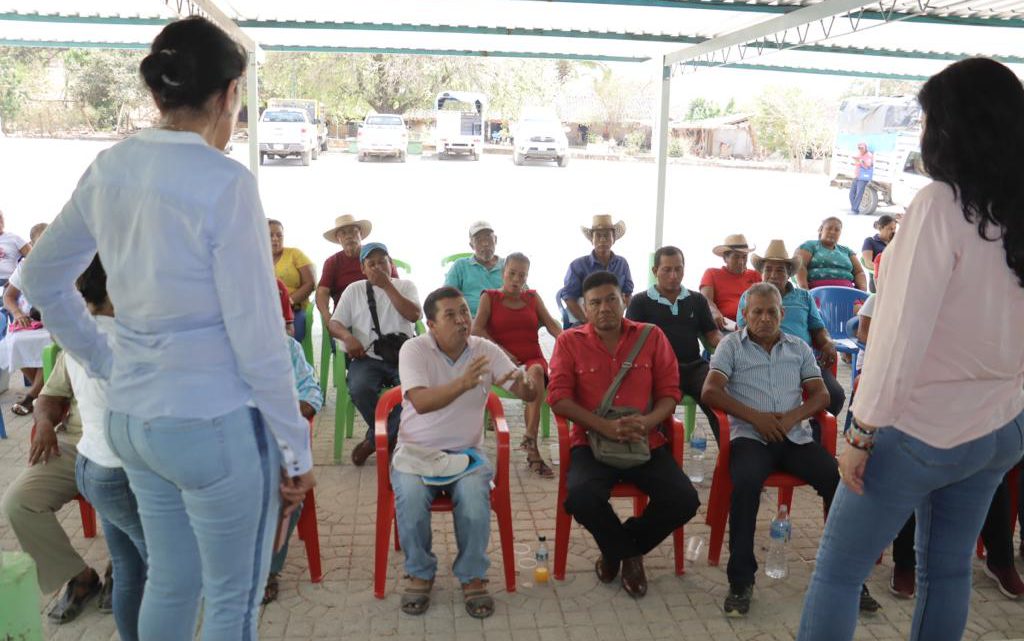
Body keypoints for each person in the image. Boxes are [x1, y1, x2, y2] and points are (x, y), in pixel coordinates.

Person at [19, 17, 315, 639]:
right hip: (209, 424)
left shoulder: (111, 166)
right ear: (230, 94)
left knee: (173, 581)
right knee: (232, 603)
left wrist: (104, 360)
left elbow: (41, 279)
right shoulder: (226, 182)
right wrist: (295, 448)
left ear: (159, 93)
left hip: (132, 423)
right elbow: (260, 340)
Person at [798, 58, 1024, 641]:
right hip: (998, 426)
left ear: (954, 127)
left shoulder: (940, 206)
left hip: (921, 429)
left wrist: (861, 432)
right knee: (945, 571)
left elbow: (898, 339)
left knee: (838, 573)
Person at [702, 282, 878, 617]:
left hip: (794, 438)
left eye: (772, 312)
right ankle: (741, 579)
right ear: (744, 314)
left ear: (783, 314)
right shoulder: (731, 346)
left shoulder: (797, 346)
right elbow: (711, 391)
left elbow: (822, 395)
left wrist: (791, 418)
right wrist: (758, 419)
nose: (765, 318)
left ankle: (847, 575)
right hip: (750, 438)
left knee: (838, 483)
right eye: (757, 312)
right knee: (745, 485)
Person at [549, 271, 700, 599]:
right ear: (585, 310)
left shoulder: (651, 336)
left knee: (685, 500)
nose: (604, 308)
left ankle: (620, 547)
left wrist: (648, 422)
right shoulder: (569, 342)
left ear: (624, 301)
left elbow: (670, 393)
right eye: (595, 303)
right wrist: (601, 426)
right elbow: (558, 397)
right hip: (592, 440)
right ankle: (628, 555)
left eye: (611, 300)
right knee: (580, 497)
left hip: (644, 439)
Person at [392, 286, 539, 619]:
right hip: (417, 451)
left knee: (474, 501)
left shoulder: (483, 349)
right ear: (431, 323)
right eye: (451, 315)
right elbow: (420, 402)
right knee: (412, 501)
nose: (462, 321)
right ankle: (420, 571)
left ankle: (472, 575)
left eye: (465, 312)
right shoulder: (413, 349)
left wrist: (530, 384)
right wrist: (463, 383)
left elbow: (521, 389)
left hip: (467, 453)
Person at [0, 259, 112, 626]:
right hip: (75, 445)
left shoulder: (147, 338)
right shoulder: (81, 342)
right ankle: (79, 577)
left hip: (130, 450)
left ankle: (121, 570)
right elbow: (49, 395)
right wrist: (45, 422)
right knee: (19, 503)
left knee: (136, 492)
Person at [66, 256, 148, 640]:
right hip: (118, 470)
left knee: (129, 567)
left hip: (92, 463)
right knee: (172, 571)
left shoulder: (81, 332)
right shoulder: (123, 342)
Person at [329, 241, 421, 466]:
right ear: (363, 268)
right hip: (366, 358)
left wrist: (388, 286)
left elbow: (414, 316)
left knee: (413, 394)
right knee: (359, 388)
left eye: (383, 262)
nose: (378, 267)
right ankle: (389, 435)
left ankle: (375, 440)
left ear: (391, 264)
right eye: (372, 264)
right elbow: (334, 324)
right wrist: (348, 338)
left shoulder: (406, 286)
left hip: (403, 355)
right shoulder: (354, 290)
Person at [472, 251, 562, 477]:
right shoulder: (490, 297)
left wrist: (576, 342)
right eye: (512, 273)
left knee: (538, 371)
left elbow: (552, 326)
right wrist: (501, 352)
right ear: (503, 273)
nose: (516, 280)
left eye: (522, 276)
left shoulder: (532, 298)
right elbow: (477, 330)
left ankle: (530, 441)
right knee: (535, 375)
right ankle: (532, 450)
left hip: (532, 358)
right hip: (501, 362)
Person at [737, 240, 847, 425]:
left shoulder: (804, 297)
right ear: (761, 273)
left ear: (789, 274)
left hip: (803, 362)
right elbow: (743, 332)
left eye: (780, 270)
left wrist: (827, 342)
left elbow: (818, 329)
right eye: (768, 269)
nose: (773, 275)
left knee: (835, 396)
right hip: (764, 362)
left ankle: (815, 435)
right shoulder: (749, 296)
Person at [263, 298, 324, 605]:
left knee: (286, 493)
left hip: (273, 442)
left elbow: (311, 390)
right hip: (223, 445)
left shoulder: (287, 348)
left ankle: (267, 571)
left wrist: (295, 412)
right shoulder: (210, 351)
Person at [627, 246, 723, 440]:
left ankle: (730, 458)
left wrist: (726, 345)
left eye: (678, 269)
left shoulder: (697, 300)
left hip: (694, 366)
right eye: (667, 269)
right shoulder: (640, 302)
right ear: (655, 272)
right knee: (658, 411)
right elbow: (630, 340)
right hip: (659, 370)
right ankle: (662, 457)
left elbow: (711, 333)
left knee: (718, 398)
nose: (673, 275)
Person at [315, 213, 398, 328]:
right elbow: (322, 292)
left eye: (353, 231)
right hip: (347, 317)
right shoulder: (332, 262)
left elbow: (396, 284)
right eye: (343, 233)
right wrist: (327, 317)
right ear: (338, 239)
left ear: (361, 234)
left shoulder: (378, 256)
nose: (349, 236)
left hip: (383, 312)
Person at [1, 222, 50, 415]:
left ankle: (32, 397)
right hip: (31, 321)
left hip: (57, 322)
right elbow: (8, 297)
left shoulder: (66, 263)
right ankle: (45, 395)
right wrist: (18, 314)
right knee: (14, 344)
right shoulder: (25, 268)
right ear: (32, 244)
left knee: (56, 347)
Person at [557, 214, 633, 328]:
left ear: (614, 239)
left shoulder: (622, 263)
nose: (602, 240)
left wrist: (618, 315)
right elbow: (569, 298)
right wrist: (588, 322)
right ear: (591, 240)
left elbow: (628, 294)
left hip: (614, 319)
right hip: (583, 320)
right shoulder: (577, 265)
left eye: (607, 235)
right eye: (598, 236)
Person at [699, 234, 761, 330]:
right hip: (726, 327)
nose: (741, 261)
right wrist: (714, 311)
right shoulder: (712, 273)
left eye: (744, 257)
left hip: (754, 326)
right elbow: (705, 299)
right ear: (725, 258)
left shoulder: (756, 275)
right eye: (736, 257)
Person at [268, 218, 315, 343]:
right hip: (266, 311)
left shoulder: (294, 254)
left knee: (286, 340)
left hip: (295, 309)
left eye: (279, 235)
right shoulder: (256, 259)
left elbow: (310, 283)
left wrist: (287, 303)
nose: (275, 239)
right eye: (270, 235)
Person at [443, 221, 504, 317]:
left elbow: (525, 294)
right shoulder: (460, 266)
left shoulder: (508, 265)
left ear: (495, 240)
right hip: (470, 322)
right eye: (478, 239)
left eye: (488, 237)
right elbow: (446, 298)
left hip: (504, 320)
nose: (485, 243)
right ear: (471, 245)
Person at [795, 217, 868, 290]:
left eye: (837, 230)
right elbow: (800, 266)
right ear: (821, 230)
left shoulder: (846, 251)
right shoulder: (809, 245)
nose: (833, 232)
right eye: (829, 228)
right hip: (817, 292)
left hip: (847, 292)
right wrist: (804, 290)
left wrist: (862, 291)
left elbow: (859, 272)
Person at [861, 215, 897, 293]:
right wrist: (885, 269)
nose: (893, 231)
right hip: (878, 279)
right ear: (880, 228)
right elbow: (868, 263)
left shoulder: (896, 243)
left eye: (894, 229)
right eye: (890, 229)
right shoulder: (870, 241)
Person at [0, 209, 31, 285]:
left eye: (0, 218)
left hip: (8, 282)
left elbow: (33, 258)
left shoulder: (13, 238)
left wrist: (16, 279)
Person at [849, 141, 874, 214]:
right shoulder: (859, 154)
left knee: (859, 194)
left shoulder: (868, 155)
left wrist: (861, 161)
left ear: (865, 148)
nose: (860, 149)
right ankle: (854, 208)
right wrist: (856, 160)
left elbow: (867, 166)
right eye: (859, 148)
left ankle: (854, 209)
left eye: (862, 148)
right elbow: (857, 163)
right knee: (851, 194)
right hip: (857, 176)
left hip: (863, 178)